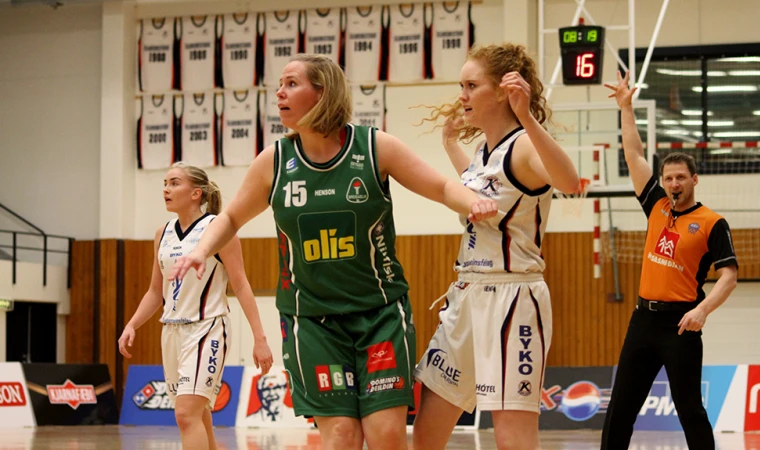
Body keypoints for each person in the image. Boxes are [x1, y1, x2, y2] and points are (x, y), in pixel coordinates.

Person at [169, 54, 498, 450]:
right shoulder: (274, 161)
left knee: (387, 435)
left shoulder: (375, 146)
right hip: (312, 321)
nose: (279, 92)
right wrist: (202, 250)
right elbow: (232, 217)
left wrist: (472, 202)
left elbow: (442, 187)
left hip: (379, 315)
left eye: (292, 83)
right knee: (341, 436)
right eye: (280, 85)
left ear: (322, 93)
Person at [412, 43, 581, 450]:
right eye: (461, 85)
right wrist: (451, 145)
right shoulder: (483, 152)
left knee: (512, 439)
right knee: (427, 431)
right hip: (468, 294)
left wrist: (526, 116)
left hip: (513, 297)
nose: (462, 95)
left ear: (503, 92)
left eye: (471, 85)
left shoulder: (524, 145)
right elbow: (475, 189)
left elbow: (570, 181)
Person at [600, 71, 739, 450]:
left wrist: (703, 311)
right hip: (643, 319)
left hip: (682, 323)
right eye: (668, 178)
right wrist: (626, 108)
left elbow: (729, 276)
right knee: (620, 409)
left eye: (681, 177)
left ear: (694, 179)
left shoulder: (712, 222)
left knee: (689, 410)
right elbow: (634, 154)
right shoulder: (657, 206)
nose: (674, 183)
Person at [118, 162, 273, 450]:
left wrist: (260, 338)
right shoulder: (161, 233)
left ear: (196, 193)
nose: (166, 189)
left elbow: (240, 285)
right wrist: (132, 324)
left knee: (185, 414)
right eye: (165, 182)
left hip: (208, 328)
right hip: (172, 331)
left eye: (174, 183)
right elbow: (155, 291)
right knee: (199, 414)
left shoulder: (219, 228)